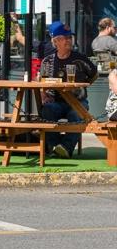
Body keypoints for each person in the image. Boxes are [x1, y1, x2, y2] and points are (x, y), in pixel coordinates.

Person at [38, 21, 97, 159]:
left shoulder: (80, 58)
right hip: (56, 102)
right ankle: (55, 146)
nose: (69, 40)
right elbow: (43, 82)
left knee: (76, 114)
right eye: (65, 38)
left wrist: (83, 86)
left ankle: (66, 147)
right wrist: (44, 94)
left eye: (70, 37)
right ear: (56, 41)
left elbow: (94, 74)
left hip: (78, 101)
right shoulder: (47, 61)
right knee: (47, 110)